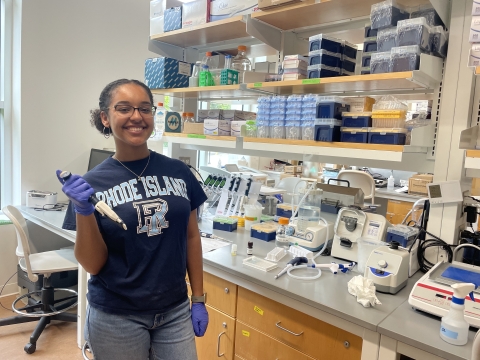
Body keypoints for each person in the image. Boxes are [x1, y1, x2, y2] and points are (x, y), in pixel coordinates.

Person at [56, 79, 208, 360]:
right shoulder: (91, 185)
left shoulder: (179, 172)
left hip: (174, 310)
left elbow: (191, 237)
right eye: (124, 108)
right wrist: (84, 211)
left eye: (145, 108)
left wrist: (198, 298)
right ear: (105, 117)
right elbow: (92, 264)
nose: (136, 116)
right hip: (116, 316)